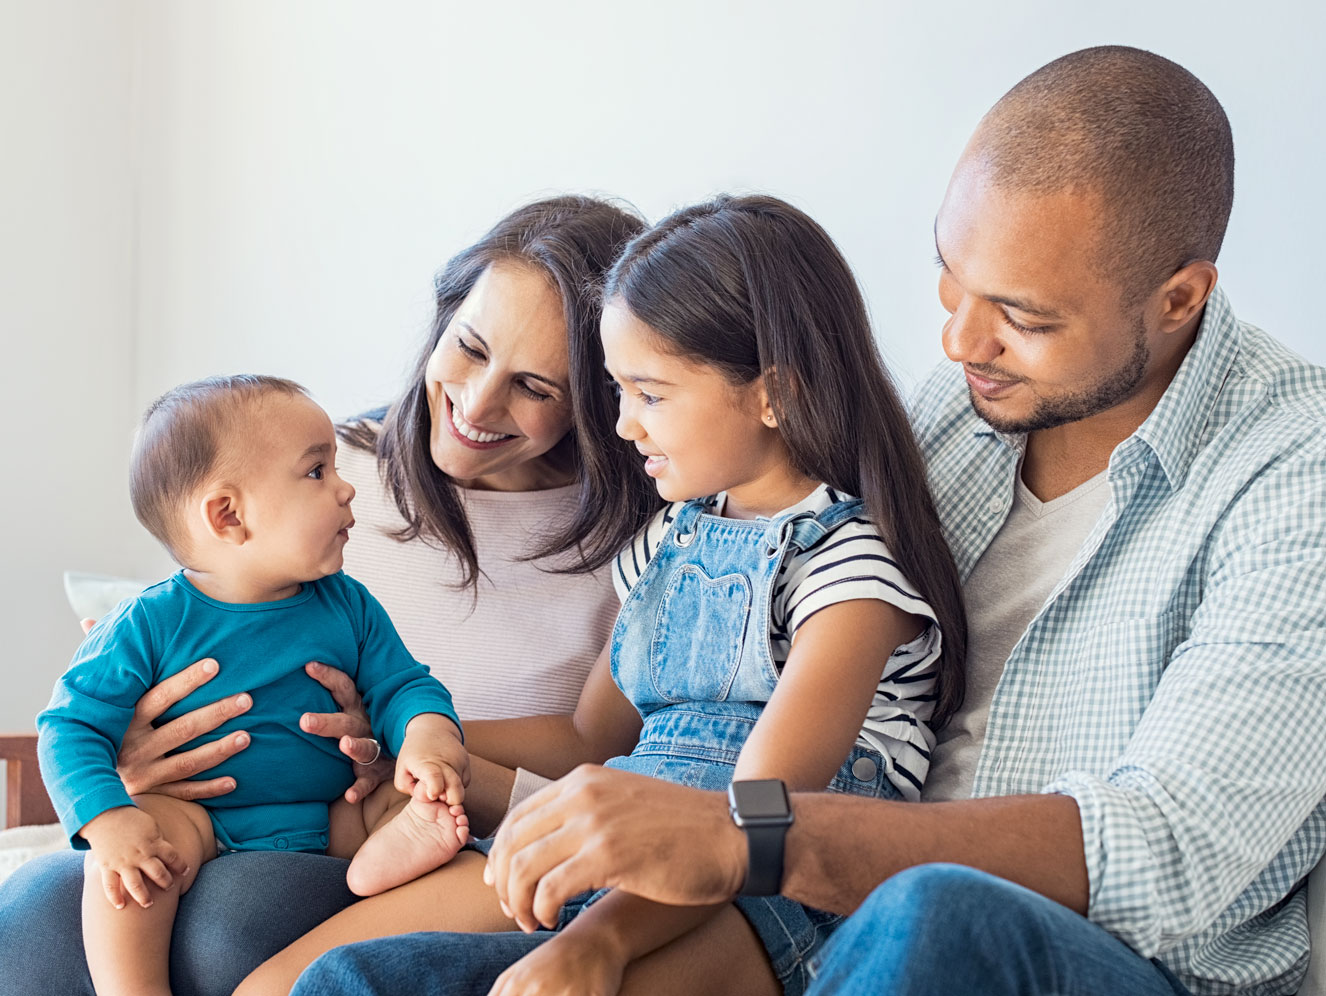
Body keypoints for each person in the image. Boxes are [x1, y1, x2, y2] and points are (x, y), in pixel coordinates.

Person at [293, 46, 1326, 996]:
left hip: (1069, 952)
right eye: (950, 279)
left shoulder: (1293, 473)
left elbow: (1168, 851)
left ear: (1180, 298)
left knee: (933, 915)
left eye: (1023, 316)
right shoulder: (954, 418)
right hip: (819, 911)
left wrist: (749, 839)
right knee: (359, 984)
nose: (962, 341)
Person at [234, 193, 968, 996]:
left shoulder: (848, 573)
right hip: (615, 841)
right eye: (617, 392)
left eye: (649, 395)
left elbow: (758, 822)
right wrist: (407, 729)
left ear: (773, 395)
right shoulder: (669, 542)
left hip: (759, 894)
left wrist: (598, 944)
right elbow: (589, 735)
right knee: (294, 985)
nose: (620, 427)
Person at [0, 195, 656, 996]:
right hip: (207, 810)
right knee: (32, 910)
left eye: (535, 386)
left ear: (602, 392)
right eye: (470, 347)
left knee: (225, 924)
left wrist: (402, 745)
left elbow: (599, 746)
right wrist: (127, 764)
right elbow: (176, 632)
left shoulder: (646, 541)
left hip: (408, 820)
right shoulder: (322, 468)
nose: (478, 405)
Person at [38, 375, 474, 995]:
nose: (347, 487)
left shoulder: (348, 605)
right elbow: (69, 726)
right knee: (135, 864)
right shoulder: (150, 621)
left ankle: (383, 861)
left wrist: (428, 742)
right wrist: (108, 823)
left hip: (333, 813)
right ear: (229, 515)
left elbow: (404, 686)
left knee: (410, 804)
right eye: (317, 472)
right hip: (201, 817)